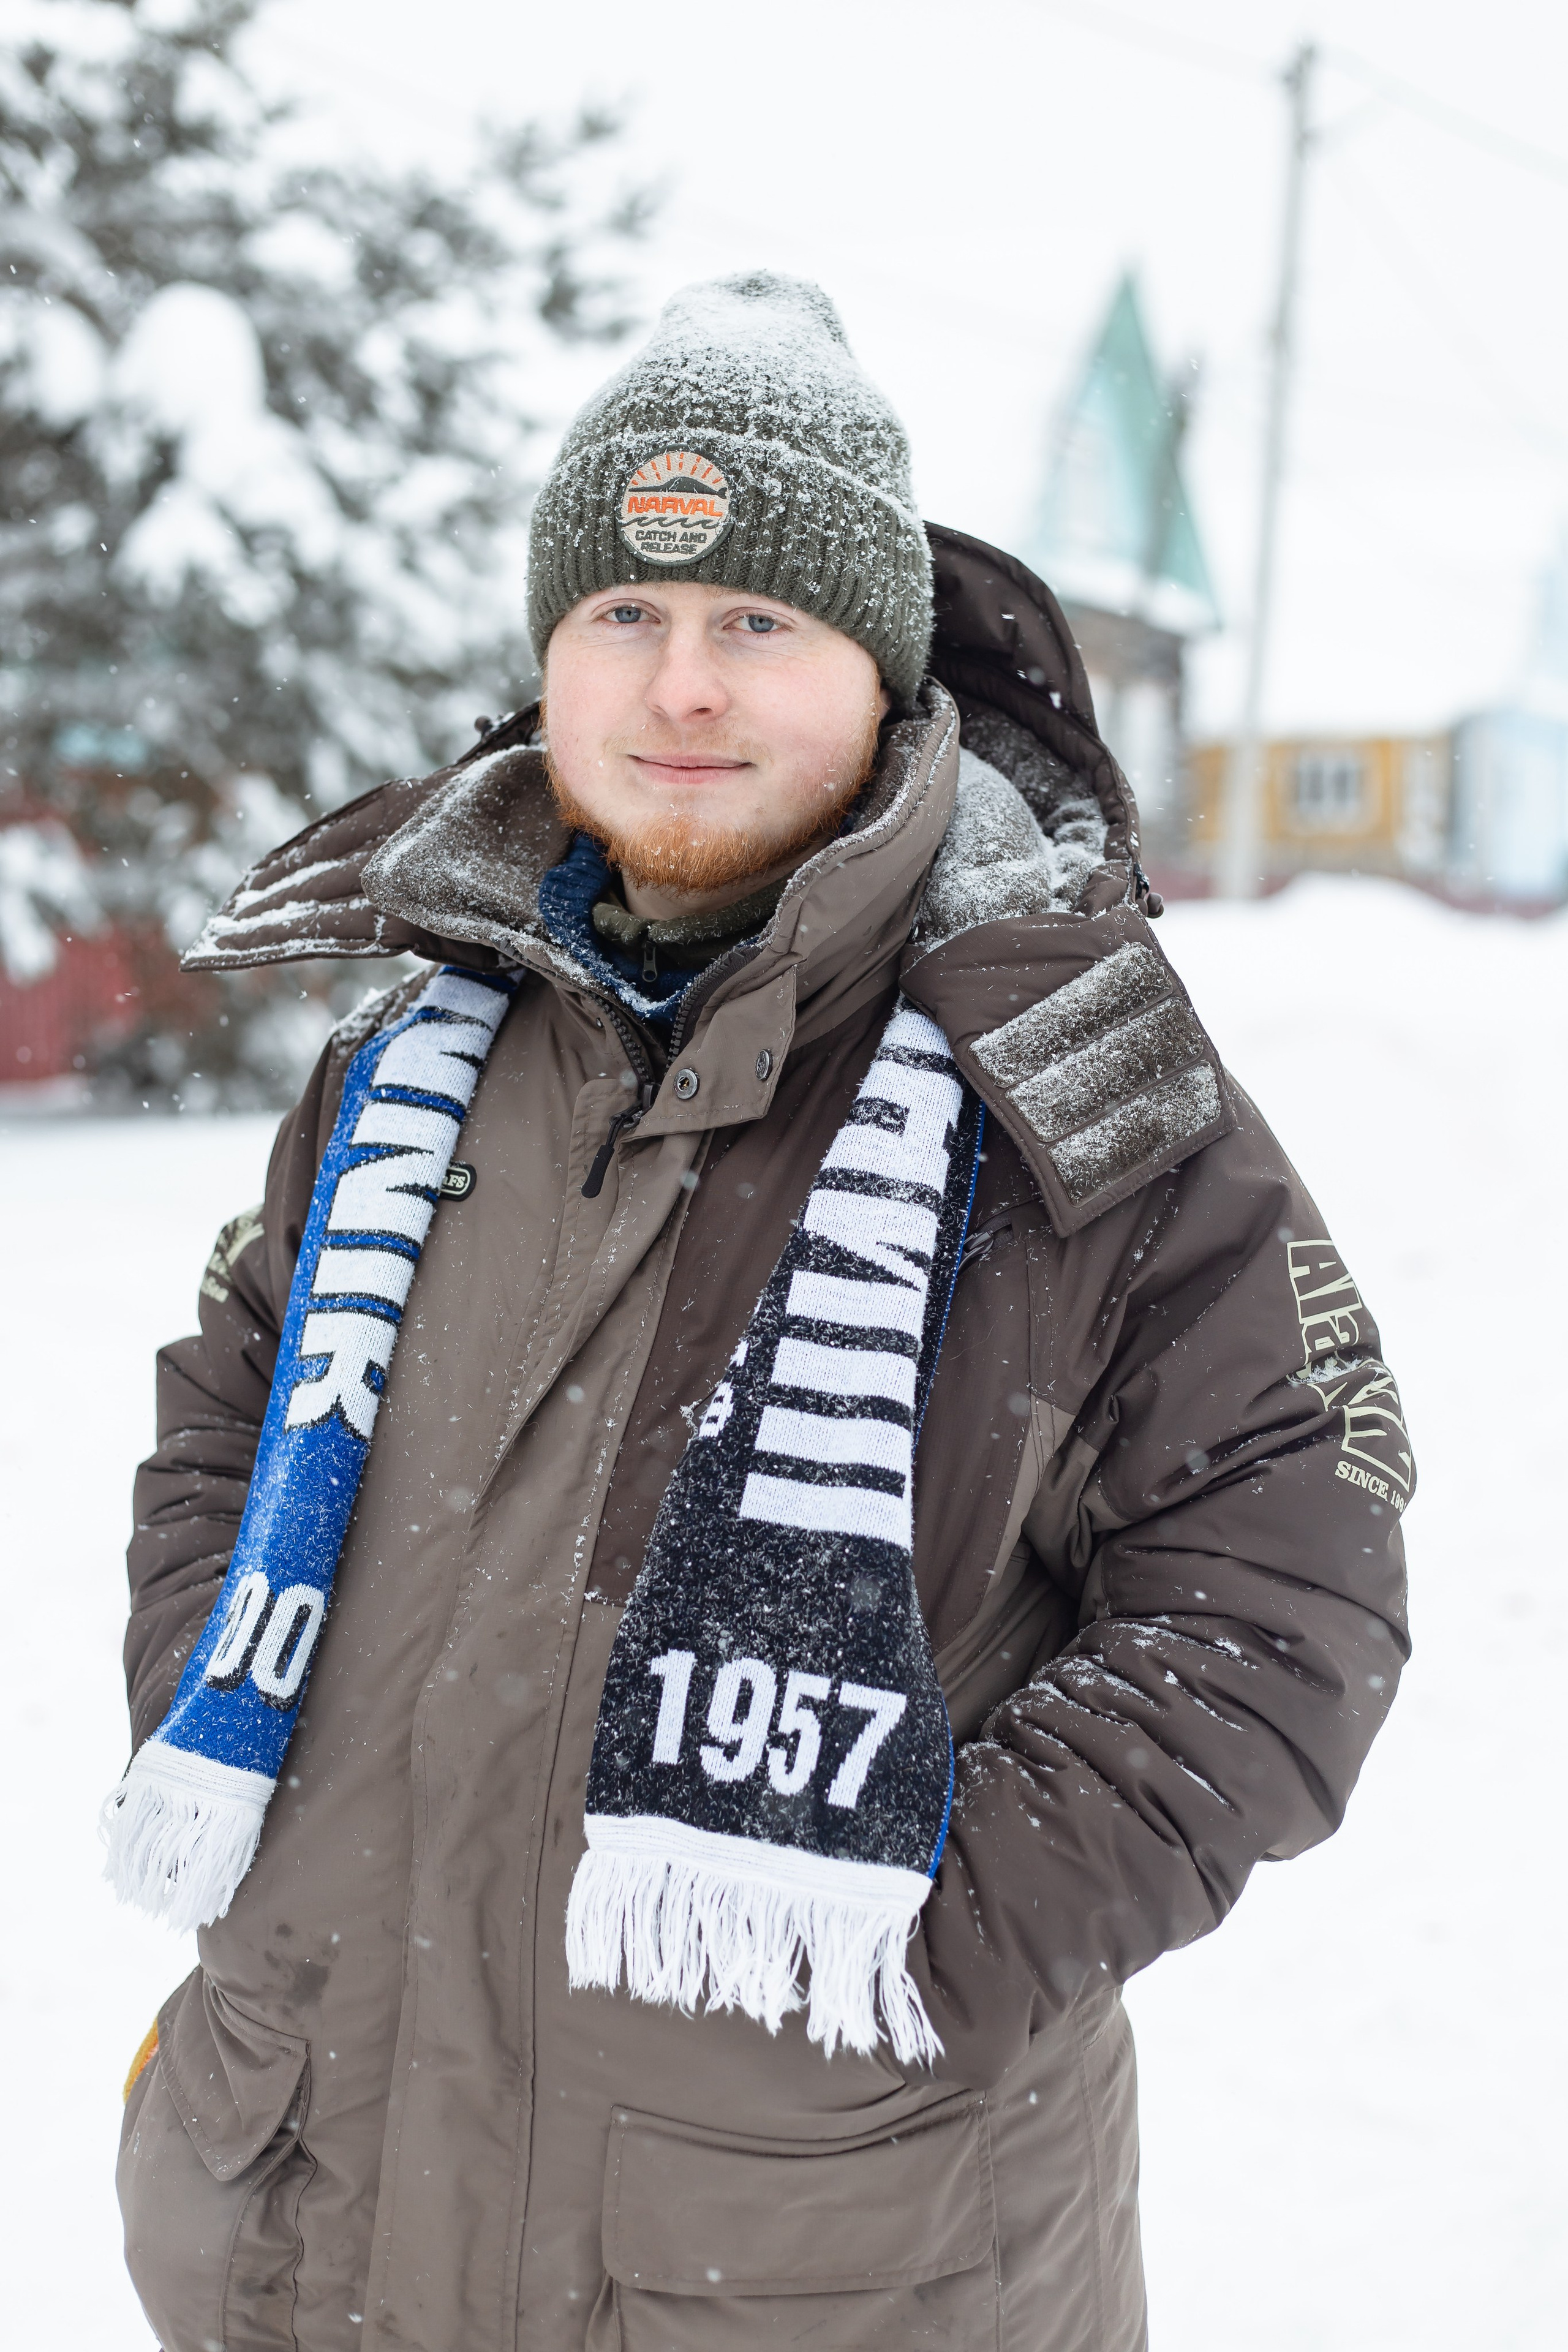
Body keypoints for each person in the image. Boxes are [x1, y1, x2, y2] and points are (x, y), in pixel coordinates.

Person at [111, 273, 1411, 2352]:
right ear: (550, 652)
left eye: (758, 621)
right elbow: (230, 1401)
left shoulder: (1074, 1076)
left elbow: (1286, 1588)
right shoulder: (406, 1059)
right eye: (623, 610)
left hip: (818, 2251)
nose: (681, 684)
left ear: (879, 669)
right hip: (313, 2199)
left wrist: (931, 1932)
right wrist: (228, 1702)